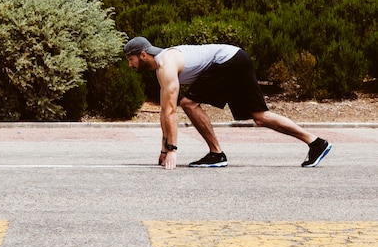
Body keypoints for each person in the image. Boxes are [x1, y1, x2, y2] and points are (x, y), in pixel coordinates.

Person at [123, 37, 332, 170]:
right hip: (236, 57)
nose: (130, 65)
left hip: (227, 61)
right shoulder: (163, 64)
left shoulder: (165, 65)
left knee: (188, 103)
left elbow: (171, 111)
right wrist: (163, 150)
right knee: (260, 116)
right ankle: (316, 143)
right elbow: (163, 112)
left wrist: (172, 149)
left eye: (130, 59)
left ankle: (216, 154)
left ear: (143, 55)